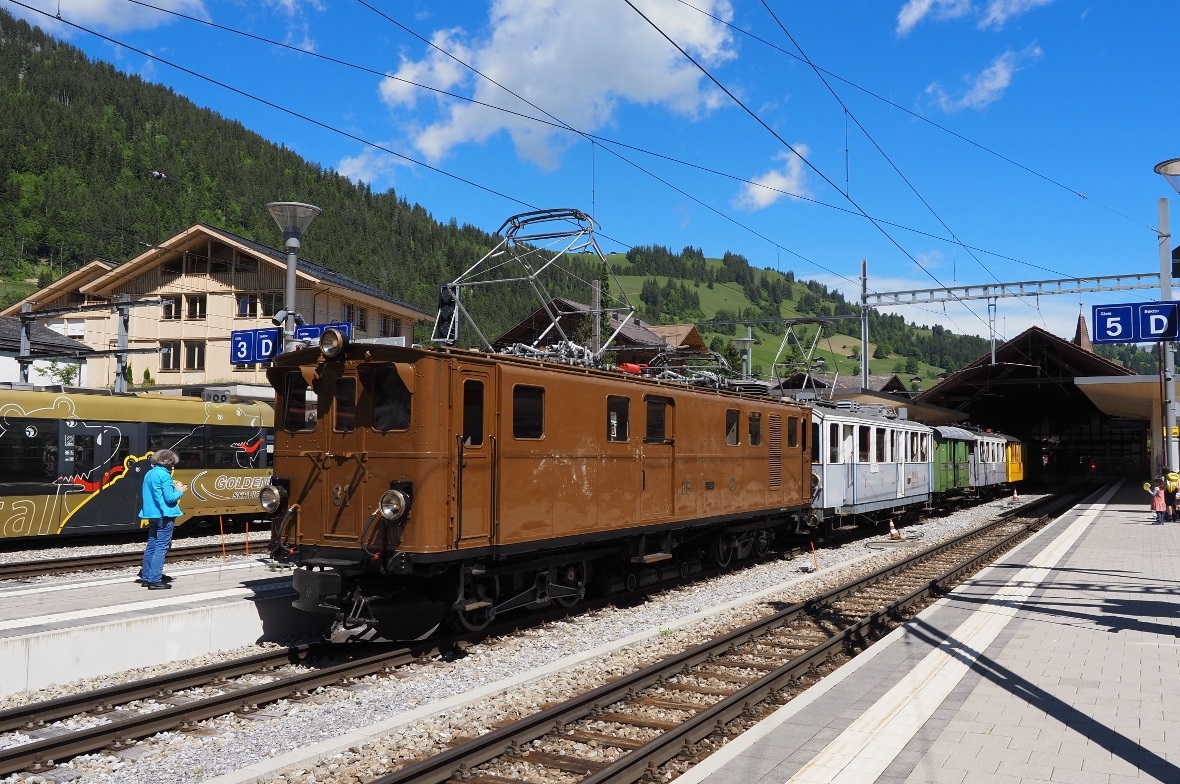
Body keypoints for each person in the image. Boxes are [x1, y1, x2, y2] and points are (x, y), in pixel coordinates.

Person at [138, 448, 186, 590]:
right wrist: (180, 491)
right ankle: (155, 579)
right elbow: (170, 498)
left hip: (152, 514)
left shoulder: (149, 473)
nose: (172, 466)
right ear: (167, 462)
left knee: (152, 545)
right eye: (172, 464)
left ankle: (146, 577)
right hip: (164, 514)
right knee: (162, 546)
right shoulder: (165, 476)